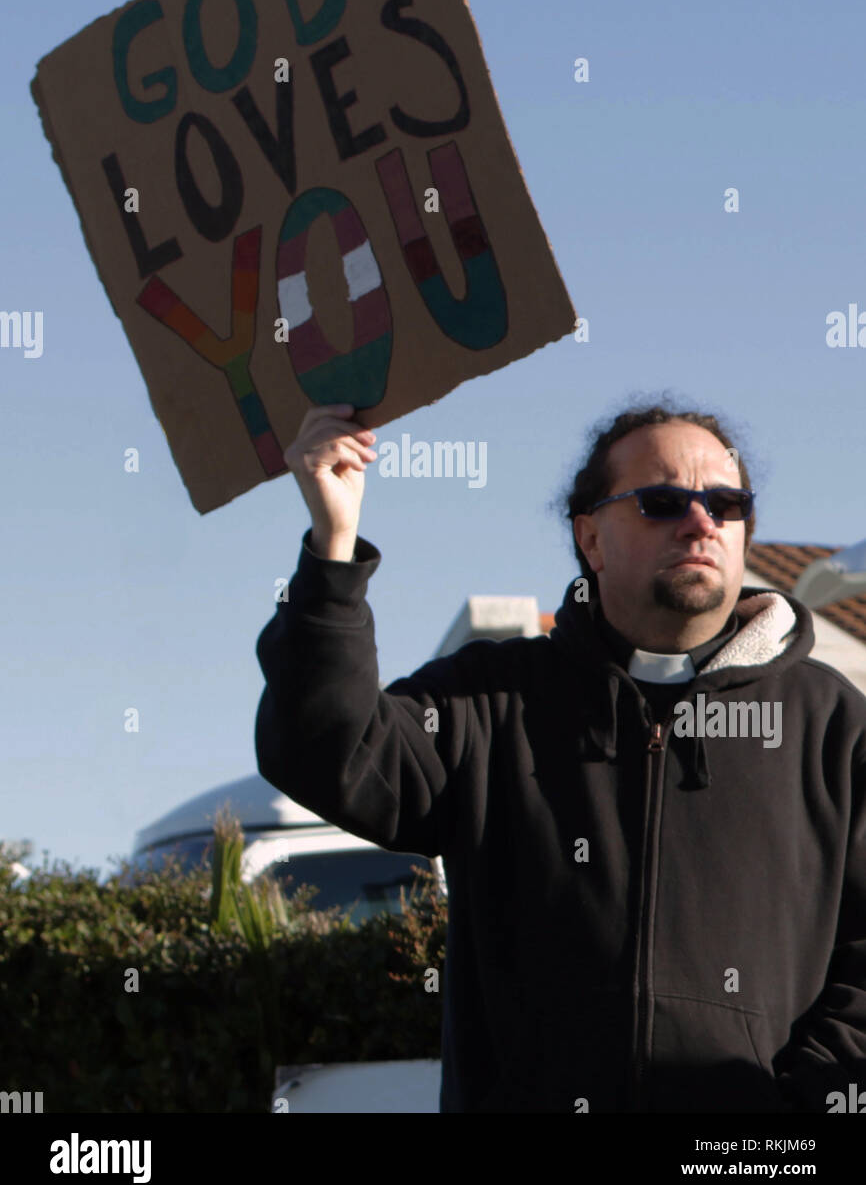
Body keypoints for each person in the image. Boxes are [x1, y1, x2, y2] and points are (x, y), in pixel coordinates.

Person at [254, 399, 866, 1113]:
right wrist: (332, 548)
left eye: (726, 504)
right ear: (591, 538)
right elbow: (327, 752)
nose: (701, 522)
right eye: (663, 501)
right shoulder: (491, 700)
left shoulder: (835, 726)